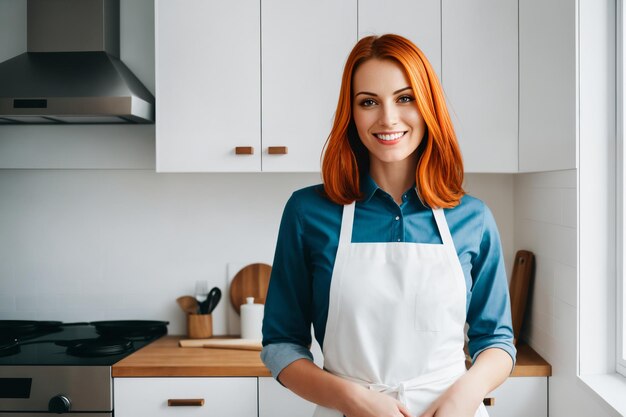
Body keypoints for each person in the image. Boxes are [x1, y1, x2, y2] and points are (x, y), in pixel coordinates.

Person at [261, 34, 516, 417]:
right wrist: (353, 399)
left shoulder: (473, 217)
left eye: (405, 98)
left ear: (427, 105)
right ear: (351, 113)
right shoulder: (307, 211)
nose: (388, 119)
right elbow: (280, 345)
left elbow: (496, 340)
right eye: (368, 102)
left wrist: (467, 393)